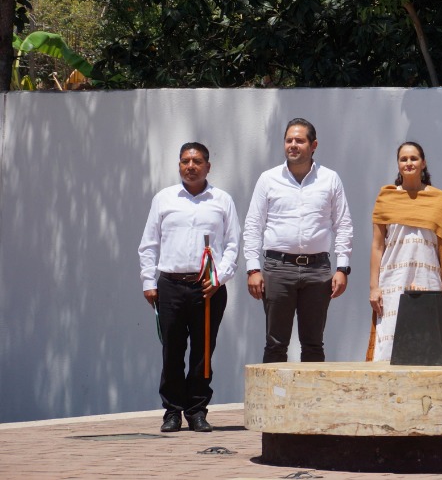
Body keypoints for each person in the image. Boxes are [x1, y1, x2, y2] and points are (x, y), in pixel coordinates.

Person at [137, 142, 239, 433]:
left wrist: (219, 277)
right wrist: (148, 281)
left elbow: (233, 244)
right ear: (179, 165)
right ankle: (172, 411)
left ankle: (197, 411)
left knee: (203, 352)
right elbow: (149, 244)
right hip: (170, 285)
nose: (190, 166)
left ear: (208, 166)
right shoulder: (164, 199)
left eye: (196, 161)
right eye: (185, 161)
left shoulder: (222, 200)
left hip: (207, 288)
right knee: (172, 351)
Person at [243, 118, 354, 363]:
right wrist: (252, 268)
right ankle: (273, 401)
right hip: (277, 269)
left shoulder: (330, 179)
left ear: (313, 145)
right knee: (275, 343)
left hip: (318, 271)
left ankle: (312, 401)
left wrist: (342, 268)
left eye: (300, 140)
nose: (293, 145)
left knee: (313, 344)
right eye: (289, 140)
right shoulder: (268, 179)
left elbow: (343, 225)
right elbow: (253, 225)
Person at [367, 141, 442, 362]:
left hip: (428, 278)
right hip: (392, 281)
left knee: (429, 346)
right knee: (389, 345)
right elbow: (377, 245)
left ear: (423, 163)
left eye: (413, 158)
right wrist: (374, 287)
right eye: (404, 159)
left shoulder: (440, 200)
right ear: (398, 164)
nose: (409, 163)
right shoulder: (386, 198)